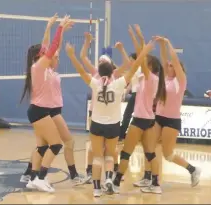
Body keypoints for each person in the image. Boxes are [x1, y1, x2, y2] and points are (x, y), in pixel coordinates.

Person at [66, 37, 154, 197]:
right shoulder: (119, 83)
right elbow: (134, 67)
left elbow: (80, 70)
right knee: (109, 155)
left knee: (97, 157)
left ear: (99, 72)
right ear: (112, 70)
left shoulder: (95, 83)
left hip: (97, 124)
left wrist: (71, 55)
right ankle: (108, 178)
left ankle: (97, 189)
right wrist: (144, 52)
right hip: (113, 126)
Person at [20, 14, 83, 193]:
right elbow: (52, 46)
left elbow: (52, 46)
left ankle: (32, 178)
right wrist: (60, 27)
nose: (52, 54)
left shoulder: (42, 67)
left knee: (42, 147)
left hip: (41, 110)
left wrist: (51, 28)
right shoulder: (39, 67)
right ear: (40, 55)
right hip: (40, 111)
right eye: (45, 52)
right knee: (56, 145)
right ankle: (40, 177)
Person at [133, 36, 201, 190]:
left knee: (168, 154)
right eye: (168, 66)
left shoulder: (181, 80)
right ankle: (147, 177)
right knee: (149, 146)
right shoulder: (165, 79)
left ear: (177, 69)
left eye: (171, 66)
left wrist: (169, 43)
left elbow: (173, 60)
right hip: (159, 118)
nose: (168, 66)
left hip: (172, 120)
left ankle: (193, 169)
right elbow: (165, 60)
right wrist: (162, 45)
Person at [112, 25, 167, 195]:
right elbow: (140, 56)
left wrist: (139, 39)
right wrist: (139, 37)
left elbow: (140, 56)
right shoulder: (152, 78)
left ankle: (115, 183)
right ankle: (156, 184)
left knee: (126, 153)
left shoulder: (150, 77)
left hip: (140, 120)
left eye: (147, 63)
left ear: (151, 66)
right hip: (149, 121)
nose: (145, 63)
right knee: (150, 154)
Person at [80, 32, 130, 183]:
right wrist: (87, 41)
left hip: (110, 115)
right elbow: (83, 58)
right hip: (94, 112)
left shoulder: (114, 74)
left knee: (111, 149)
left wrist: (121, 49)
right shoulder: (95, 74)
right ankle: (89, 172)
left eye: (103, 61)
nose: (100, 62)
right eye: (99, 60)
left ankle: (113, 170)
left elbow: (128, 64)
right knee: (93, 147)